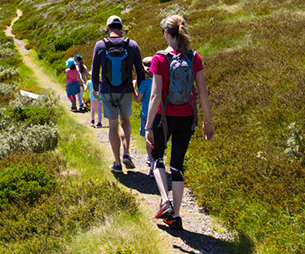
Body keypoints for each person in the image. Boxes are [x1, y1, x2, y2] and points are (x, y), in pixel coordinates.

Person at [145, 15, 215, 231]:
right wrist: (208, 121)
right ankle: (175, 216)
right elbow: (202, 92)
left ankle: (165, 200)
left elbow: (155, 95)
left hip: (162, 118)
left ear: (167, 33)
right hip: (186, 117)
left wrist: (148, 126)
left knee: (157, 158)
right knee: (177, 165)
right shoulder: (194, 57)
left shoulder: (159, 59)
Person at [91, 15, 145, 173]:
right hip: (126, 90)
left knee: (113, 125)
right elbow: (140, 70)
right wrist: (141, 90)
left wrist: (95, 88)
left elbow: (95, 69)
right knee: (125, 121)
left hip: (107, 91)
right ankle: (126, 153)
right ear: (121, 27)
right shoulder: (132, 45)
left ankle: (117, 163)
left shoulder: (100, 45)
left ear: (108, 28)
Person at [134, 56, 154, 177]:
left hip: (146, 114)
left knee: (148, 139)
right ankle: (158, 160)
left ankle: (151, 165)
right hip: (158, 114)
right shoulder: (161, 82)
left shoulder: (145, 83)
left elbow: (138, 100)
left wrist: (133, 88)